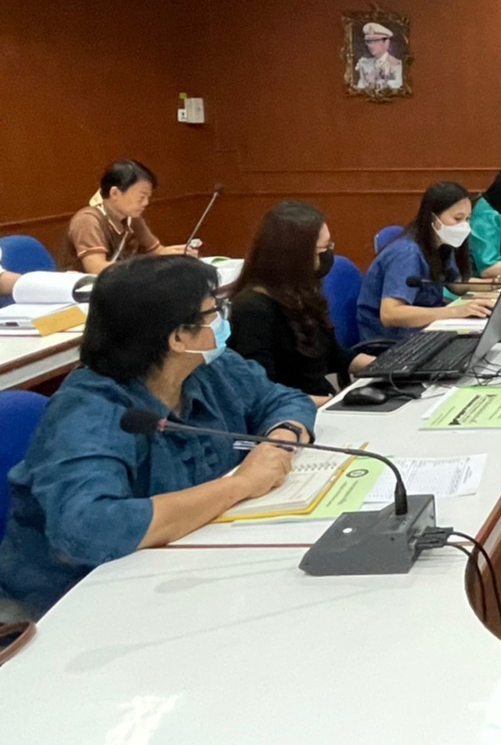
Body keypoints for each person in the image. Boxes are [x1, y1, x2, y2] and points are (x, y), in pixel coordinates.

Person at [0, 256, 317, 619]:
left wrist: (278, 444)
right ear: (178, 337)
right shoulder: (90, 411)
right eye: (214, 310)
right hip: (70, 604)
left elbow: (284, 399)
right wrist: (242, 484)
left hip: (183, 566)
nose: (223, 318)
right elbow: (89, 529)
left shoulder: (206, 368)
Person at [230, 202, 374, 404]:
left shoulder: (300, 293)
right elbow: (263, 394)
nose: (329, 254)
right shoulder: (252, 310)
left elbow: (334, 356)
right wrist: (336, 403)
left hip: (322, 401)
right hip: (295, 413)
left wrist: (391, 367)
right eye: (324, 248)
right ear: (297, 255)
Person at [356, 182, 494, 341]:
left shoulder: (440, 244)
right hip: (391, 341)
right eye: (457, 218)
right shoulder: (407, 254)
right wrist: (456, 311)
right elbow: (391, 314)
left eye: (467, 219)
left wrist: (495, 285)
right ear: (433, 218)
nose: (464, 226)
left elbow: (454, 283)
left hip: (424, 329)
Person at [60, 160, 196, 273]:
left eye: (148, 197)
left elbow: (157, 251)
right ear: (115, 193)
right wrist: (147, 264)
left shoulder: (132, 218)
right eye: (141, 197)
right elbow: (97, 269)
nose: (146, 203)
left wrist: (179, 253)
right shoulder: (88, 220)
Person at [355, 22, 403, 91]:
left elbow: (399, 89)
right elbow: (359, 90)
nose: (370, 46)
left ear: (386, 42)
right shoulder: (365, 65)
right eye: (368, 42)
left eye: (375, 41)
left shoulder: (396, 65)